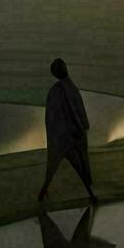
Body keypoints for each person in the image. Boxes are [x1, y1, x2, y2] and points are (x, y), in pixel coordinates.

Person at [38, 57, 98, 202]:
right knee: (78, 165)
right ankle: (90, 194)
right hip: (69, 135)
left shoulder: (60, 89)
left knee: (62, 165)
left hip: (66, 135)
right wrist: (80, 127)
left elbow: (67, 111)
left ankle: (43, 193)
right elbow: (74, 110)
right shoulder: (65, 88)